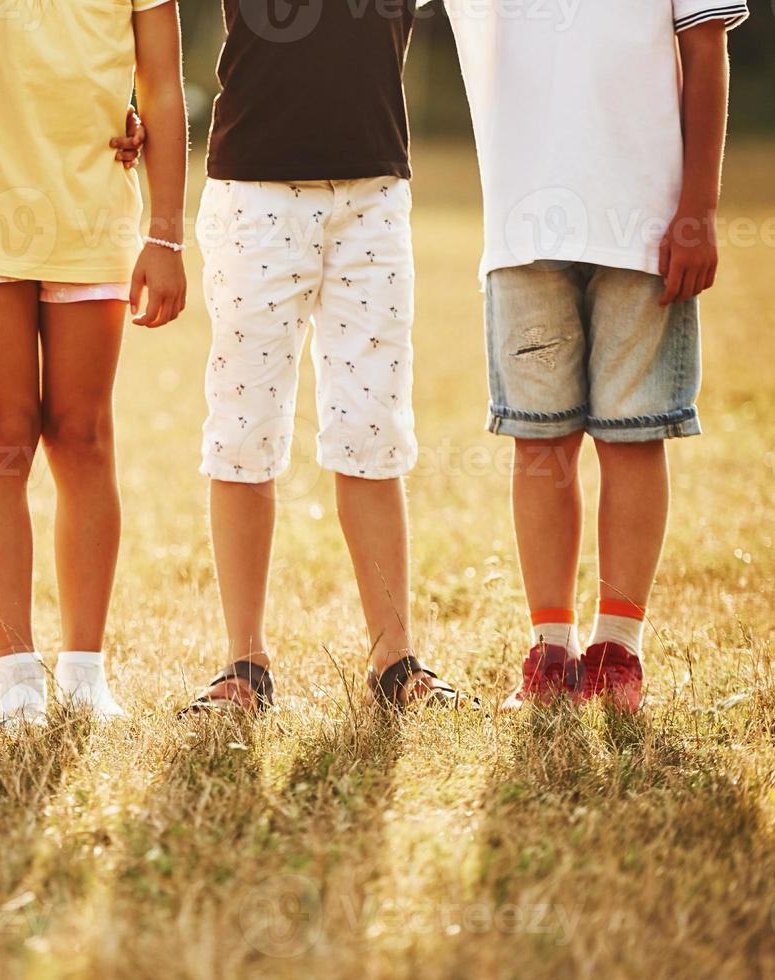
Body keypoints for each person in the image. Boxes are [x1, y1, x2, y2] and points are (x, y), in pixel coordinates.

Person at [432, 0, 748, 711]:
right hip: (522, 226)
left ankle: (617, 650)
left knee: (633, 436)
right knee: (537, 439)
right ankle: (550, 650)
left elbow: (704, 50)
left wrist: (697, 207)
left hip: (641, 222)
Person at [183, 0, 472, 715]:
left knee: (371, 429)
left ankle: (393, 661)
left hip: (372, 193)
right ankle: (243, 665)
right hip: (254, 193)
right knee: (243, 430)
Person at [0, 0, 189, 726]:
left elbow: (164, 87)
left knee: (82, 436)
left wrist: (167, 236)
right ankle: (14, 678)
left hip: (92, 219)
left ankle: (85, 674)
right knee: (1, 435)